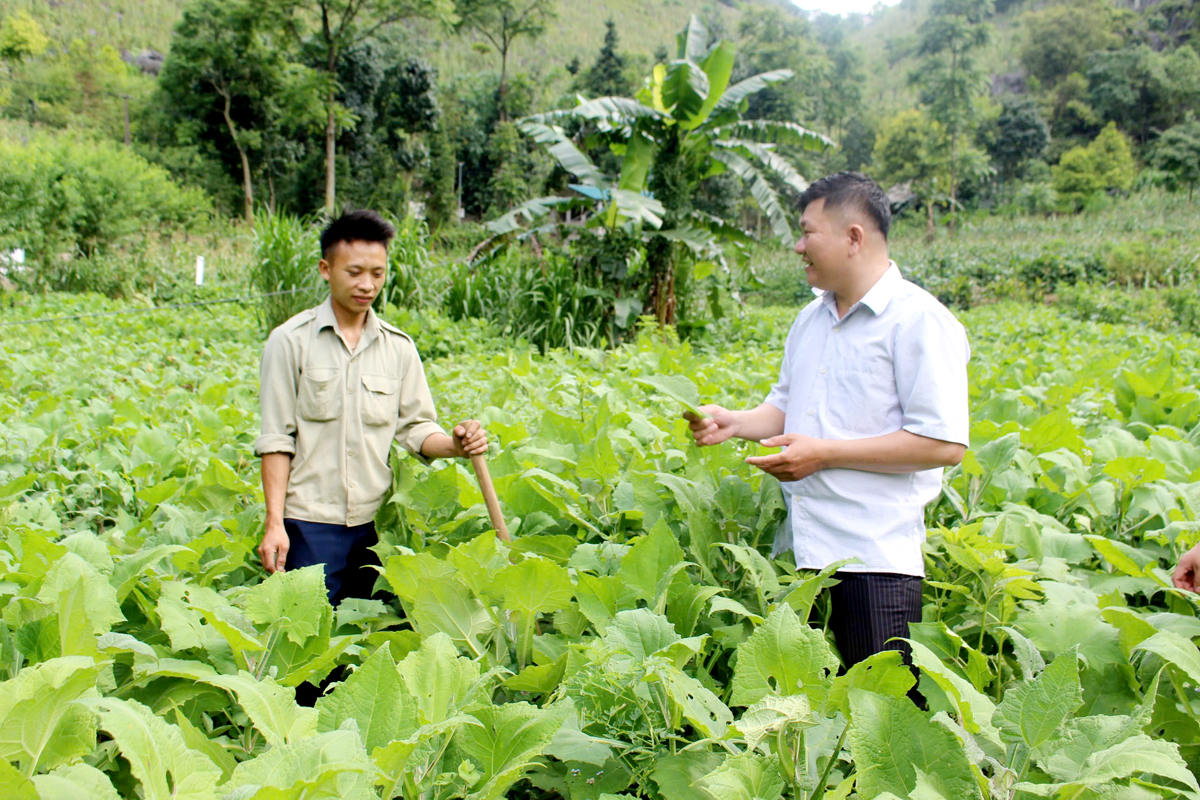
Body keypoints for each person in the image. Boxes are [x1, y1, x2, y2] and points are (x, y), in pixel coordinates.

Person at [687, 172, 969, 672]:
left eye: (807, 232)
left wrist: (825, 454)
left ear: (853, 237)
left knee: (886, 719)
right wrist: (735, 422)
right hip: (802, 553)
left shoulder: (919, 320)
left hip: (874, 562)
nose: (798, 246)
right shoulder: (810, 319)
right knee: (809, 718)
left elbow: (942, 444)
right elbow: (786, 407)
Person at [254, 209, 488, 605]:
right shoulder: (289, 341)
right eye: (355, 272)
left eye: (377, 274)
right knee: (310, 647)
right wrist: (274, 523)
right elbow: (277, 440)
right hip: (310, 524)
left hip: (376, 528)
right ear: (326, 269)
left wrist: (456, 445)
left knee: (366, 639)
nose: (367, 285)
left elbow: (417, 428)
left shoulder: (398, 348)